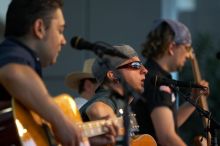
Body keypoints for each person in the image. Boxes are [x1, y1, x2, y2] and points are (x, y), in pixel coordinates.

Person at [0, 0, 117, 146]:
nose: (63, 41)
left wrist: (83, 139)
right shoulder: (13, 52)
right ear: (40, 28)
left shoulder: (26, 63)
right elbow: (13, 73)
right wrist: (60, 120)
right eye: (60, 31)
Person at [131, 18, 209, 146]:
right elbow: (166, 137)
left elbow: (168, 124)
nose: (188, 55)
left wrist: (193, 100)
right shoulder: (156, 80)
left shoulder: (155, 75)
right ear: (172, 47)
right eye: (187, 48)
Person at [80, 45, 148, 145]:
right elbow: (96, 109)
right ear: (113, 75)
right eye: (135, 65)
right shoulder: (109, 97)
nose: (145, 70)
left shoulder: (121, 104)